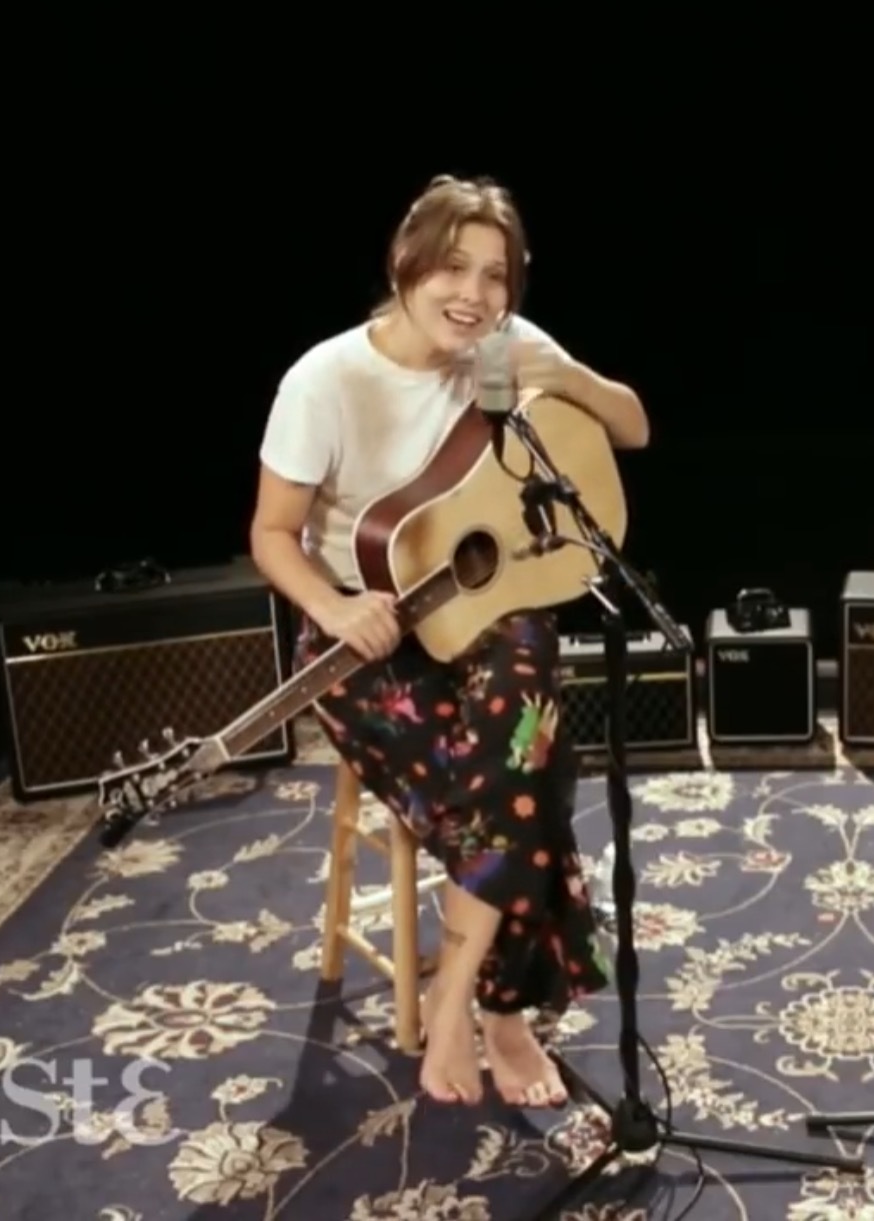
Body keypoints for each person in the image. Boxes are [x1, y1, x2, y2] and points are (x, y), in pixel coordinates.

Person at [248, 174, 651, 1109]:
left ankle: (463, 994)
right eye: (453, 268)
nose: (473, 294)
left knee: (522, 702)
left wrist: (565, 377)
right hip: (365, 627)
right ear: (406, 262)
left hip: (480, 613)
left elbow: (631, 425)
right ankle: (505, 1014)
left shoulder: (505, 349)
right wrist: (335, 607)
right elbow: (271, 535)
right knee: (527, 781)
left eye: (495, 275)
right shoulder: (324, 379)